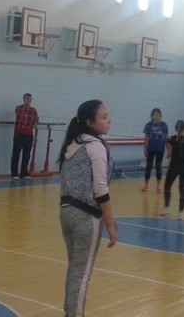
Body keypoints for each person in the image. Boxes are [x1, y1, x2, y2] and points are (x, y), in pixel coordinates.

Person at [58, 100, 117, 317]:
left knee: (75, 270)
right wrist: (110, 224)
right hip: (86, 217)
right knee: (82, 274)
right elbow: (100, 189)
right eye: (104, 117)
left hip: (66, 212)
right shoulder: (96, 146)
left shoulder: (73, 142)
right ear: (90, 123)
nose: (109, 121)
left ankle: (69, 313)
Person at [160, 120, 184, 220]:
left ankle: (166, 208)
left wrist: (165, 142)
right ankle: (180, 213)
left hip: (174, 166)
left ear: (176, 128)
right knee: (183, 188)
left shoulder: (171, 139)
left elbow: (170, 153)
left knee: (167, 186)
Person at [11, 93, 39, 180]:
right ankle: (14, 173)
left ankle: (24, 173)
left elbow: (36, 120)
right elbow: (21, 118)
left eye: (29, 99)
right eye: (27, 99)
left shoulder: (33, 110)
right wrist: (29, 120)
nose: (28, 100)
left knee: (26, 155)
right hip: (19, 134)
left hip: (29, 134)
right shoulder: (18, 108)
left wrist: (31, 121)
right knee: (16, 154)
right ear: (23, 99)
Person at [141, 108, 168, 193]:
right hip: (150, 149)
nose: (155, 116)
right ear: (151, 116)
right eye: (154, 115)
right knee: (149, 166)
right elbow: (146, 138)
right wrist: (145, 149)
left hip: (160, 149)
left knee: (158, 166)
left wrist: (169, 150)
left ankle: (159, 185)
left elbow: (166, 139)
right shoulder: (148, 125)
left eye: (157, 115)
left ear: (160, 116)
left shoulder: (164, 125)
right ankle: (146, 184)